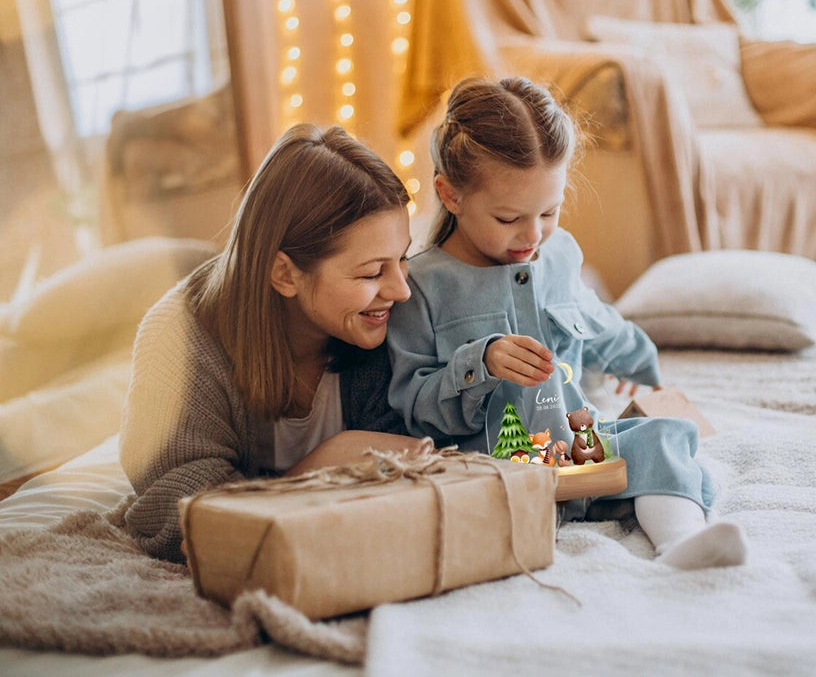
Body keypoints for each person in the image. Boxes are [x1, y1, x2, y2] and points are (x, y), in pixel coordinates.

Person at [387, 76, 747, 570]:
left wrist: (643, 363)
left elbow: (596, 322)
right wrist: (482, 362)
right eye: (509, 218)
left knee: (662, 437)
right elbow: (412, 407)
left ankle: (680, 545)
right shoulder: (421, 286)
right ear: (450, 195)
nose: (532, 235)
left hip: (578, 452)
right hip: (494, 468)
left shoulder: (558, 256)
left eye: (549, 211)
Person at [120, 124, 428, 563]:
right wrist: (323, 464)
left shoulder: (388, 322)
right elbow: (174, 509)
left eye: (402, 259)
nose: (402, 291)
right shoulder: (180, 339)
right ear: (284, 273)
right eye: (371, 273)